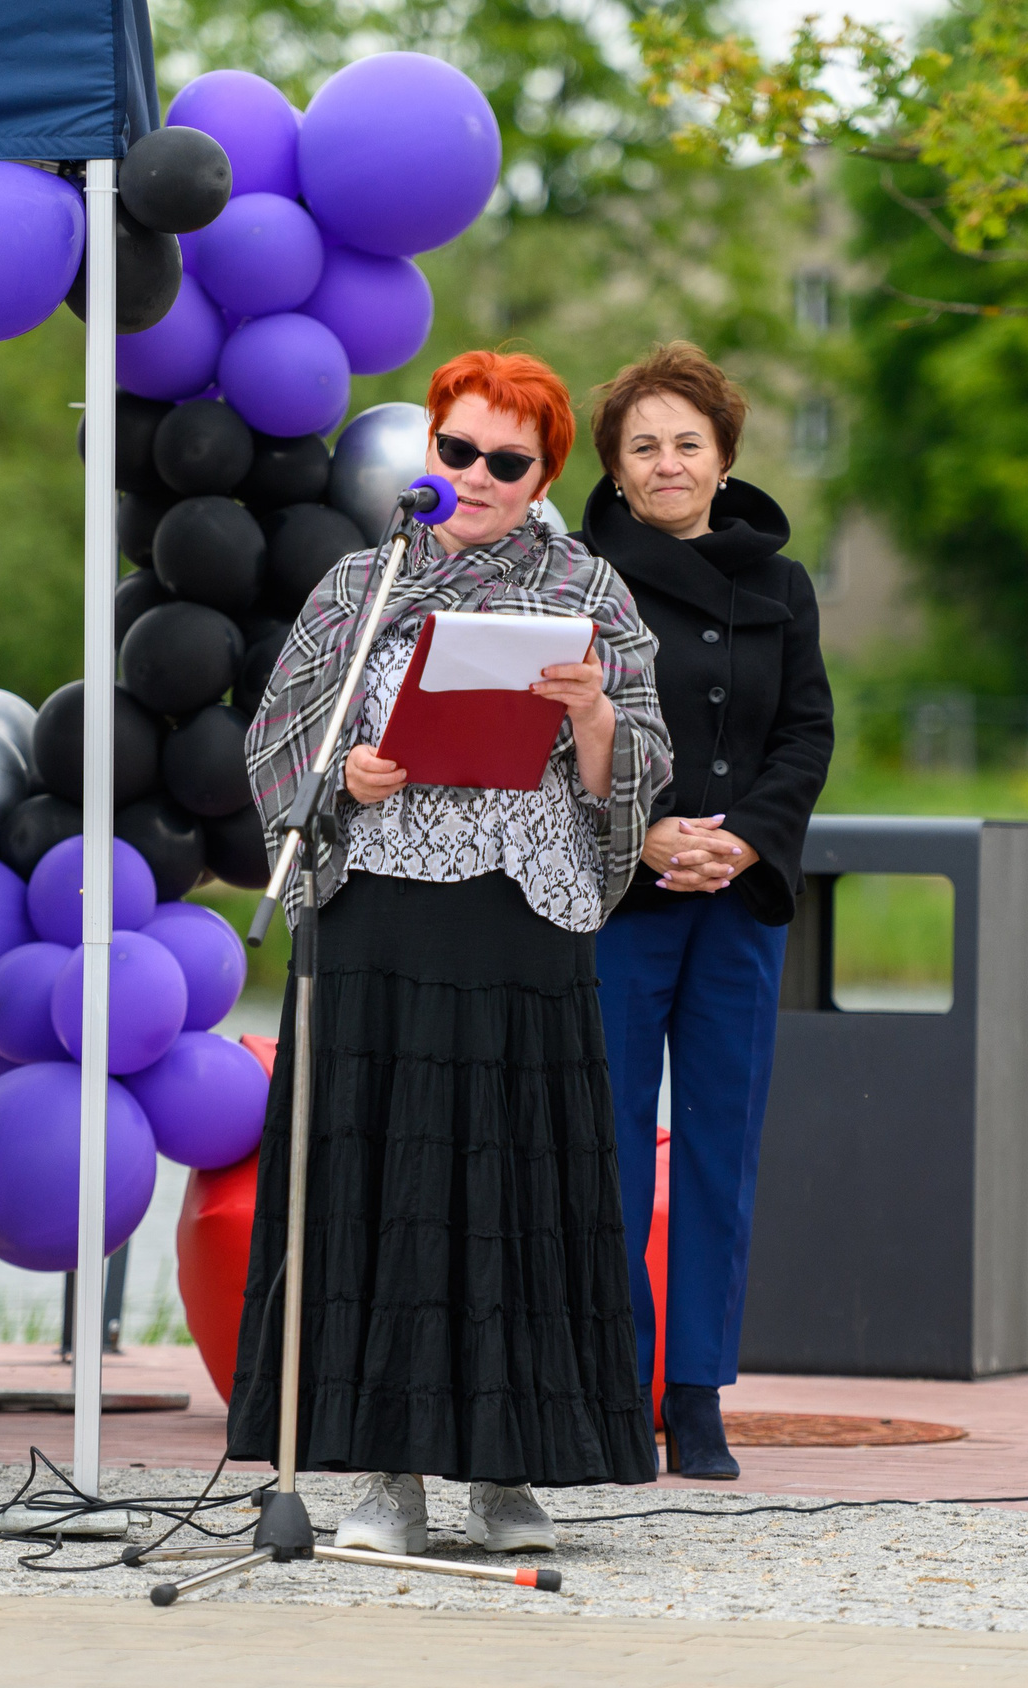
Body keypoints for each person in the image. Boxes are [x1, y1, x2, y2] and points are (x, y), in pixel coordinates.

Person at [231, 348, 673, 1557]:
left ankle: (508, 1469)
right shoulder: (359, 585)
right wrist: (348, 775)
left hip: (520, 915)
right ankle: (386, 1478)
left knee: (516, 1183)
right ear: (429, 451)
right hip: (374, 911)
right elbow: (277, 744)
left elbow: (638, 766)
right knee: (382, 1189)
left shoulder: (592, 592)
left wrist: (587, 709)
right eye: (456, 448)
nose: (474, 474)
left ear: (544, 476)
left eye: (505, 460)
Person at [575, 342, 834, 1478]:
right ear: (615, 468)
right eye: (645, 447)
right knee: (615, 1149)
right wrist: (653, 834)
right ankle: (619, 1390)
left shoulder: (783, 584)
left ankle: (701, 1390)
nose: (667, 463)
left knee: (721, 1149)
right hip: (622, 898)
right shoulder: (579, 578)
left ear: (724, 457)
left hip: (738, 896)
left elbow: (805, 732)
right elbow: (552, 740)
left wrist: (739, 839)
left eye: (688, 442)